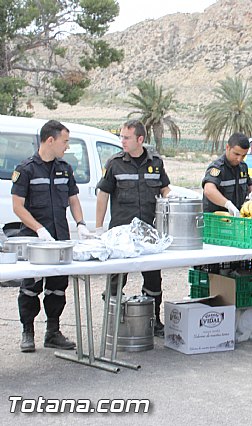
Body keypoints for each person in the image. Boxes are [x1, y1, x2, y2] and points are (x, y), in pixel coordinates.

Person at [11, 119, 92, 352]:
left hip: (60, 239)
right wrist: (38, 229)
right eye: (64, 141)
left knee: (57, 287)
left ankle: (53, 332)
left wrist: (81, 224)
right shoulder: (25, 169)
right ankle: (28, 332)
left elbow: (73, 198)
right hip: (35, 240)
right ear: (50, 140)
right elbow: (18, 206)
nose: (67, 146)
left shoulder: (64, 168)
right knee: (30, 287)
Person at [95, 119, 171, 337]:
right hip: (122, 234)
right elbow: (103, 195)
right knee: (117, 280)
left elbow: (165, 188)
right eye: (121, 137)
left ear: (140, 139)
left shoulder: (155, 162)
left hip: (148, 233)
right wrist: (99, 228)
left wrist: (170, 200)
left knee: (153, 280)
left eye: (126, 137)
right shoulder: (114, 163)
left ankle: (153, 321)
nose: (122, 141)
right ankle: (113, 320)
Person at [202, 132, 252, 215]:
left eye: (243, 155)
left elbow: (248, 183)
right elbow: (209, 190)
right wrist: (227, 204)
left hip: (237, 217)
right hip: (217, 219)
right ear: (227, 147)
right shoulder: (217, 168)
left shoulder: (243, 167)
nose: (239, 159)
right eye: (236, 154)